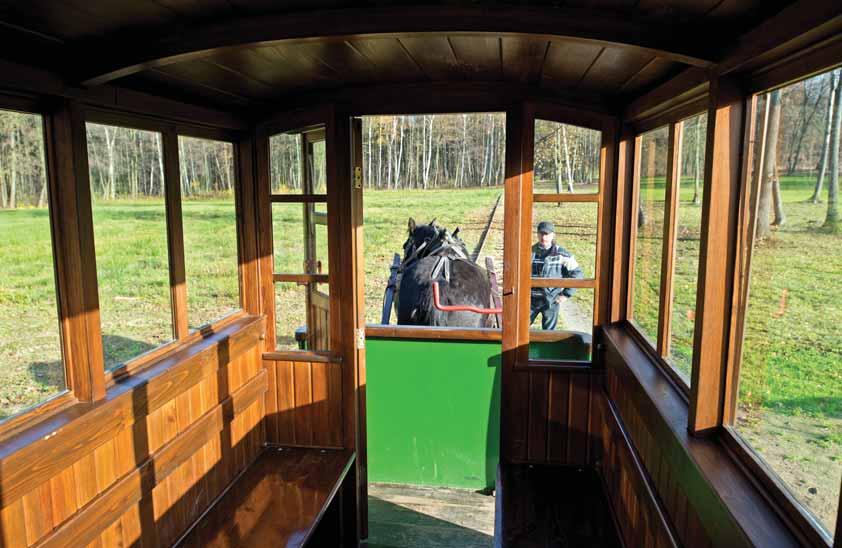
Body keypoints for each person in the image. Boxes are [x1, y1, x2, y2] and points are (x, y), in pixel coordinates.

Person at [530, 221, 584, 330]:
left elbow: (577, 274)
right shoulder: (529, 252)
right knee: (519, 331)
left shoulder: (562, 254)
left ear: (553, 235)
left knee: (548, 335)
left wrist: (566, 295)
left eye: (547, 234)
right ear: (537, 234)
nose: (544, 237)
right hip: (529, 301)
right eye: (541, 234)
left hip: (551, 302)